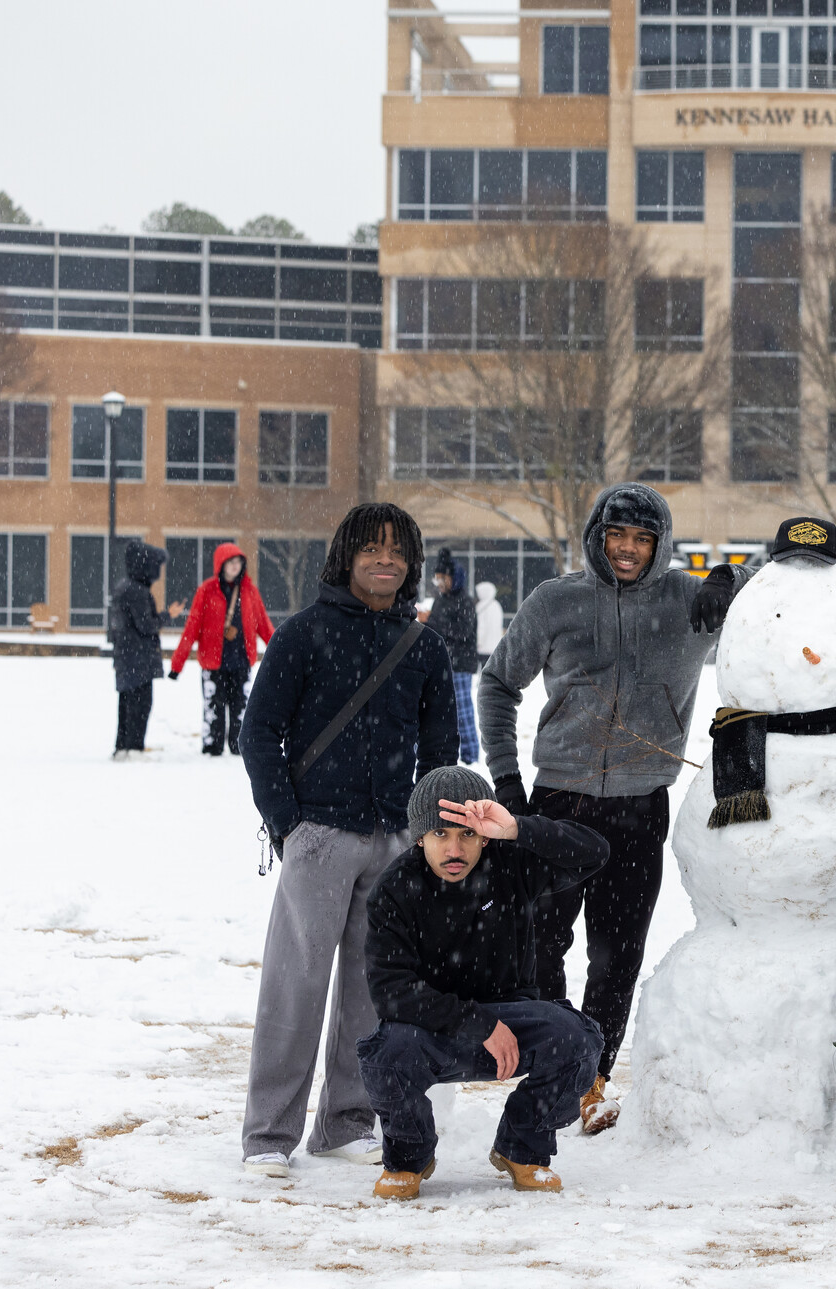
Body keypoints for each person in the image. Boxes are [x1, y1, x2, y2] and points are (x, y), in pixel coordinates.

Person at [478, 482, 748, 1136]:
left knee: (616, 953)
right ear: (597, 535)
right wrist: (509, 784)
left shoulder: (687, 601)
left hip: (638, 806)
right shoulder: (556, 601)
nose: (627, 549)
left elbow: (783, 583)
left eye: (641, 538)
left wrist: (730, 574)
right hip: (558, 801)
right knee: (540, 939)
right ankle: (559, 1056)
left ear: (659, 544)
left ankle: (591, 1077)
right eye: (616, 535)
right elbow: (496, 683)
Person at [237, 503, 458, 1179]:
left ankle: (347, 1121)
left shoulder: (424, 646)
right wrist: (288, 823)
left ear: (411, 563)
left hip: (395, 841)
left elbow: (442, 751)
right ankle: (270, 1133)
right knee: (293, 986)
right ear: (347, 556)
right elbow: (259, 733)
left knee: (372, 989)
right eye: (371, 548)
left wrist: (429, 837)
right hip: (319, 836)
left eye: (397, 550)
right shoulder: (302, 634)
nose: (384, 560)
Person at [358, 767, 610, 1201]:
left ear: (485, 836)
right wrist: (478, 1025)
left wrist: (518, 828)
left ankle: (522, 1146)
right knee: (384, 1055)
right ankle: (409, 1156)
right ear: (420, 836)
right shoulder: (395, 889)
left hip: (512, 1016)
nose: (454, 849)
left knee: (579, 1040)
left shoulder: (510, 863)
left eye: (468, 835)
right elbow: (391, 992)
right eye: (440, 834)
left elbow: (595, 852)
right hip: (432, 1027)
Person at [169, 543, 273, 756]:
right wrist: (177, 664)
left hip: (241, 661)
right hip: (213, 662)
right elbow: (192, 628)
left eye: (239, 563)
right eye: (231, 562)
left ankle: (238, 746)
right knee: (213, 709)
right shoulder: (207, 590)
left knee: (240, 709)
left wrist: (285, 653)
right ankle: (212, 747)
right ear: (221, 564)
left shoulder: (249, 591)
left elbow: (264, 625)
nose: (235, 567)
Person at [111, 542, 181, 759]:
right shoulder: (138, 592)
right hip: (139, 660)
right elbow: (147, 625)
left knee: (127, 704)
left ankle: (123, 747)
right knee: (140, 705)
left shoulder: (124, 587)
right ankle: (134, 747)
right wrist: (167, 615)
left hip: (126, 657)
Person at [423, 549, 483, 766]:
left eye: (442, 578)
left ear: (453, 578)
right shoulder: (440, 600)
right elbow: (438, 628)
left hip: (460, 663)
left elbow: (463, 632)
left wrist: (434, 623)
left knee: (462, 709)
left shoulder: (464, 602)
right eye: (437, 578)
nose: (439, 582)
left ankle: (470, 755)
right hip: (442, 663)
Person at [474, 580, 503, 673]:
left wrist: (478, 642)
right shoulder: (497, 606)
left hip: (483, 647)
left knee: (483, 671)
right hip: (494, 646)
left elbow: (480, 627)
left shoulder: (481, 606)